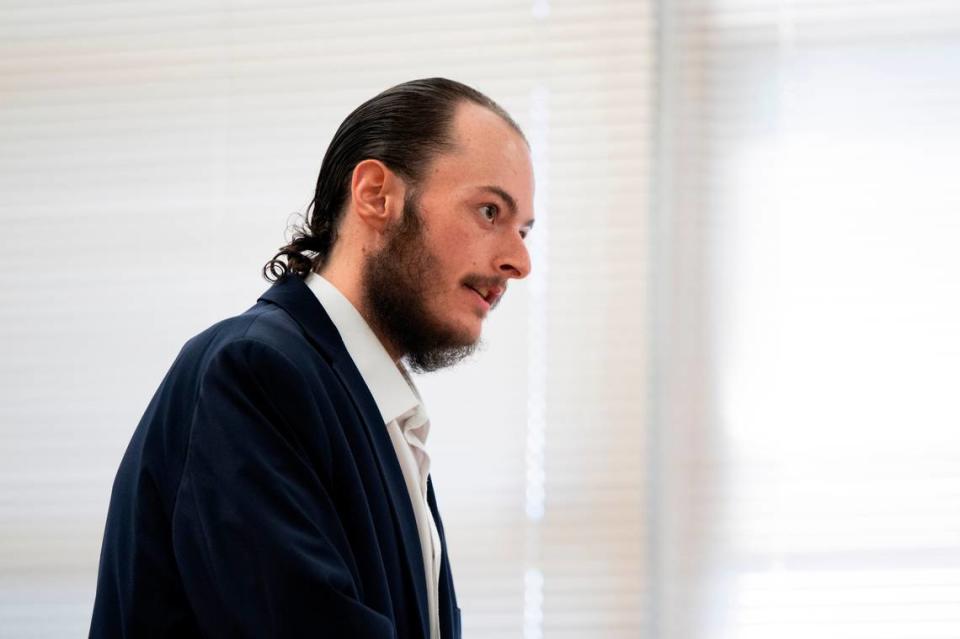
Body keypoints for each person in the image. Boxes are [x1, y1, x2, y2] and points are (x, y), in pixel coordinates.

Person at [89, 77, 534, 638]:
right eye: (490, 211)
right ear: (376, 195)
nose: (519, 261)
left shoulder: (377, 409)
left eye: (524, 230)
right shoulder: (253, 371)